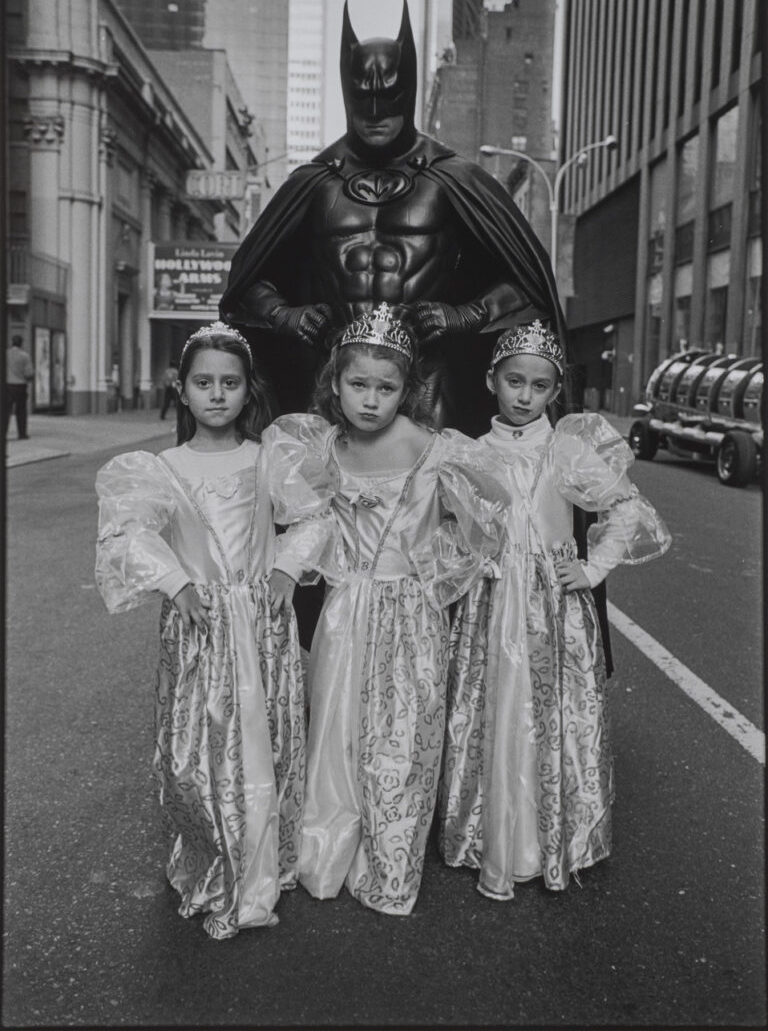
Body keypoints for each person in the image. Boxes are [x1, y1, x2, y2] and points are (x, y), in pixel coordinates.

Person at [220, 0, 566, 437]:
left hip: (427, 382)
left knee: (429, 497)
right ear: (348, 91)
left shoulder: (450, 178)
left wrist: (468, 314)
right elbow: (246, 280)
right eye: (364, 95)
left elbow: (528, 279)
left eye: (390, 94)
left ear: (409, 89)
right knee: (322, 498)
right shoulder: (316, 182)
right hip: (335, 381)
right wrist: (284, 314)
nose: (377, 109)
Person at [94, 321, 332, 940]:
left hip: (259, 624)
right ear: (183, 389)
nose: (218, 394)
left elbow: (313, 518)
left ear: (249, 391)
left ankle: (258, 863)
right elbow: (128, 533)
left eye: (230, 383)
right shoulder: (161, 467)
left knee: (263, 738)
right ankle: (212, 854)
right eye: (204, 382)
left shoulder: (266, 460)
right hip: (199, 628)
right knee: (201, 748)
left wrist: (284, 567)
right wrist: (176, 582)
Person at [272, 304, 510, 915]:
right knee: (336, 725)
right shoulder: (319, 446)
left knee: (403, 734)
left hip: (412, 613)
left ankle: (391, 857)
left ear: (409, 389)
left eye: (387, 387)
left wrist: (436, 571)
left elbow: (480, 525)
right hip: (346, 609)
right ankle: (327, 845)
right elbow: (309, 523)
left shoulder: (437, 450)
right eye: (358, 385)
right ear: (335, 383)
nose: (371, 401)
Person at [439, 321, 671, 899]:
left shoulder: (565, 449)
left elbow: (624, 507)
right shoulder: (469, 451)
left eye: (539, 387)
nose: (524, 396)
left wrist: (591, 570)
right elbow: (448, 528)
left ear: (554, 392)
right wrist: (472, 558)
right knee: (491, 705)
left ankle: (551, 837)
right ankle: (486, 832)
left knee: (549, 712)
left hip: (551, 605)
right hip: (491, 603)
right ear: (491, 379)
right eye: (514, 381)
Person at [5, 334, 34, 439]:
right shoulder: (25, 356)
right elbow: (29, 373)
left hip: (7, 385)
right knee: (21, 411)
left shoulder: (5, 354)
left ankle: (3, 433)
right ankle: (22, 434)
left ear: (12, 342)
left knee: (5, 411)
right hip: (20, 386)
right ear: (21, 343)